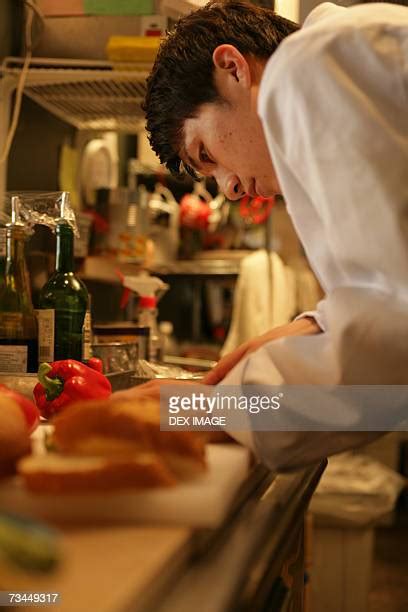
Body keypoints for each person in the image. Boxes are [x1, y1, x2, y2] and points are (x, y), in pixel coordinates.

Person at [114, 1, 408, 470]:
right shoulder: (347, 58)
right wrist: (313, 326)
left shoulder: (311, 66)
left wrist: (202, 408)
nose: (228, 188)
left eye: (205, 153)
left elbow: (389, 351)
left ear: (233, 68)